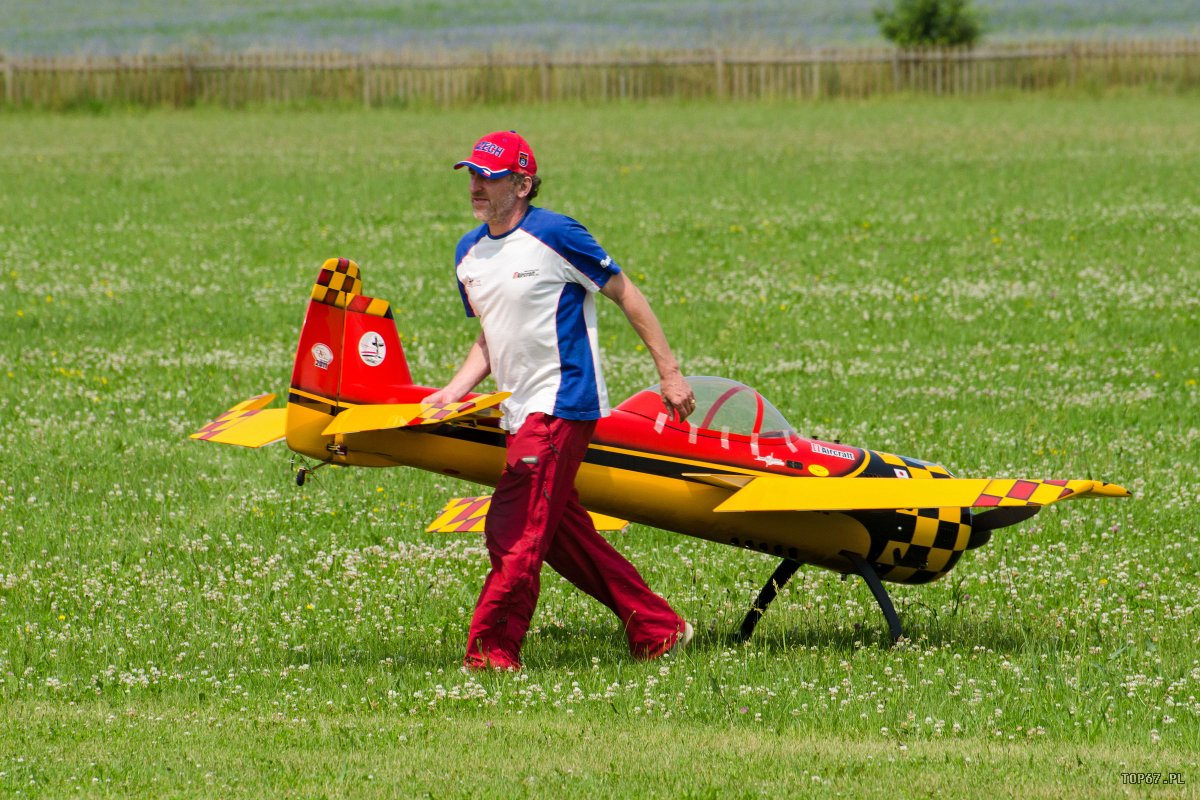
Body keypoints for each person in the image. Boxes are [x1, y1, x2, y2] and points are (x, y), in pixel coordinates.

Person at [424, 130, 696, 670]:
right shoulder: (469, 253)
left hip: (561, 403)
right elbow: (491, 334)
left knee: (515, 529)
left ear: (523, 184)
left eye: (491, 176)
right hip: (515, 409)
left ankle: (492, 655)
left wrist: (670, 372)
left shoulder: (556, 234)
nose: (478, 185)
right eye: (473, 174)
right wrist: (454, 390)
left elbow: (625, 293)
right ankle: (658, 629)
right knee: (560, 534)